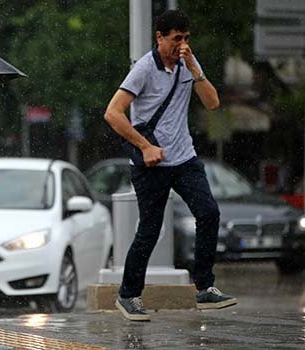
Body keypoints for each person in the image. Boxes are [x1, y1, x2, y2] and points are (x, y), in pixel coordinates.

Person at [104, 9, 236, 322]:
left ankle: (204, 287)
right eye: (177, 39)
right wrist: (146, 146)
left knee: (209, 213)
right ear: (159, 38)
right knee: (150, 230)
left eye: (187, 38)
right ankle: (128, 295)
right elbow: (113, 113)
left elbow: (213, 103)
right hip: (151, 163)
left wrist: (193, 66)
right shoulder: (144, 69)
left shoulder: (188, 63)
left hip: (184, 158)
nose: (182, 45)